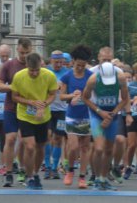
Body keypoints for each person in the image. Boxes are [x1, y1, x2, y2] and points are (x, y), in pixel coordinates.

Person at [11, 52, 59, 190]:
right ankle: (29, 175)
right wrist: (30, 102)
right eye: (31, 70)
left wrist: (43, 104)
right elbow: (14, 97)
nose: (34, 73)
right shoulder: (19, 77)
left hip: (43, 116)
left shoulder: (49, 75)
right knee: (30, 146)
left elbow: (52, 95)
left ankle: (36, 173)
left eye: (37, 70)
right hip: (25, 115)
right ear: (27, 67)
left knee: (40, 147)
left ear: (41, 65)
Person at [83, 61, 130, 190]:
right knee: (98, 148)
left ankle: (104, 178)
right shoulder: (93, 79)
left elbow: (125, 99)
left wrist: (112, 114)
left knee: (109, 149)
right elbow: (85, 98)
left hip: (112, 113)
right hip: (97, 114)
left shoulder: (120, 78)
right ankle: (97, 177)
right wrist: (100, 112)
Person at [0, 37, 32, 186]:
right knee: (10, 139)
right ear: (17, 49)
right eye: (22, 52)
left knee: (24, 141)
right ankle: (9, 172)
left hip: (28, 107)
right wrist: (13, 87)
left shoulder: (35, 64)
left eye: (27, 52)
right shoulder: (9, 65)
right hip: (11, 107)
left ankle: (23, 170)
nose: (24, 56)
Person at [60, 45, 94, 189]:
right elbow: (61, 96)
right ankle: (70, 171)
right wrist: (71, 96)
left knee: (85, 147)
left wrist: (86, 97)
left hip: (86, 115)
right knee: (73, 147)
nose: (80, 67)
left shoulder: (90, 76)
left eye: (83, 65)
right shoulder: (67, 76)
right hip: (72, 115)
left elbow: (94, 95)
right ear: (73, 61)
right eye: (78, 64)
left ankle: (82, 176)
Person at [44, 51, 70, 179]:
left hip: (62, 110)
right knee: (48, 137)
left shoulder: (67, 73)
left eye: (61, 62)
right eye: (56, 62)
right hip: (47, 109)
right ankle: (47, 166)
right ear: (51, 61)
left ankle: (55, 167)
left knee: (58, 138)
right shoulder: (46, 72)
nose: (59, 64)